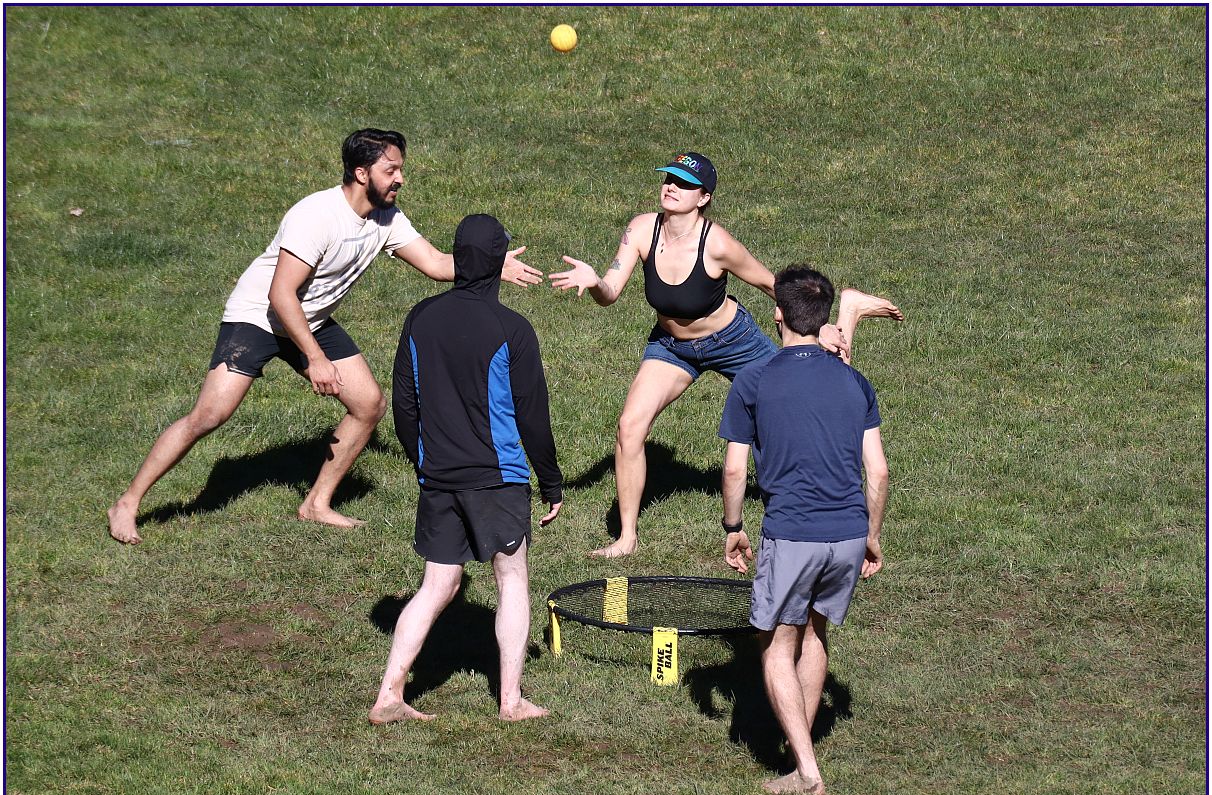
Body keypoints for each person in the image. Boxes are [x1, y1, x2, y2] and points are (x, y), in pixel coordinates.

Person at [106, 129, 542, 544]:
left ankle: (316, 503)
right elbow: (280, 294)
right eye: (391, 170)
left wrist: (489, 265)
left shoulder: (386, 218)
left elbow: (434, 263)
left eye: (400, 169)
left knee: (368, 404)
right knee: (209, 414)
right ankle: (127, 502)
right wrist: (315, 358)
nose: (400, 179)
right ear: (361, 173)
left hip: (309, 318)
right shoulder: (316, 216)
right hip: (259, 317)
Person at [550, 151, 901, 557]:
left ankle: (850, 310)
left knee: (813, 389)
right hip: (672, 346)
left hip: (733, 341)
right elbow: (610, 293)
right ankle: (627, 537)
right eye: (668, 179)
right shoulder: (642, 230)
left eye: (684, 183)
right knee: (629, 427)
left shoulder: (717, 243)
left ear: (703, 197)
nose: (671, 187)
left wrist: (817, 324)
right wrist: (595, 281)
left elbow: (772, 284)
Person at [370, 213, 562, 724]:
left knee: (437, 585)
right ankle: (511, 700)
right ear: (500, 263)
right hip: (497, 479)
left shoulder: (420, 317)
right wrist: (551, 481)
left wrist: (422, 460)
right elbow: (533, 416)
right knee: (512, 579)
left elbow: (404, 404)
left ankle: (389, 695)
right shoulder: (511, 329)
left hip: (438, 477)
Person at [718, 264, 889, 795]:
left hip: (793, 532)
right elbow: (879, 472)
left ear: (778, 314)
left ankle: (808, 771)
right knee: (815, 633)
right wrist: (872, 536)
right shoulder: (855, 382)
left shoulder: (754, 380)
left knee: (775, 644)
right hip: (849, 533)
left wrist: (733, 526)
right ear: (822, 318)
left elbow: (734, 471)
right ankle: (800, 754)